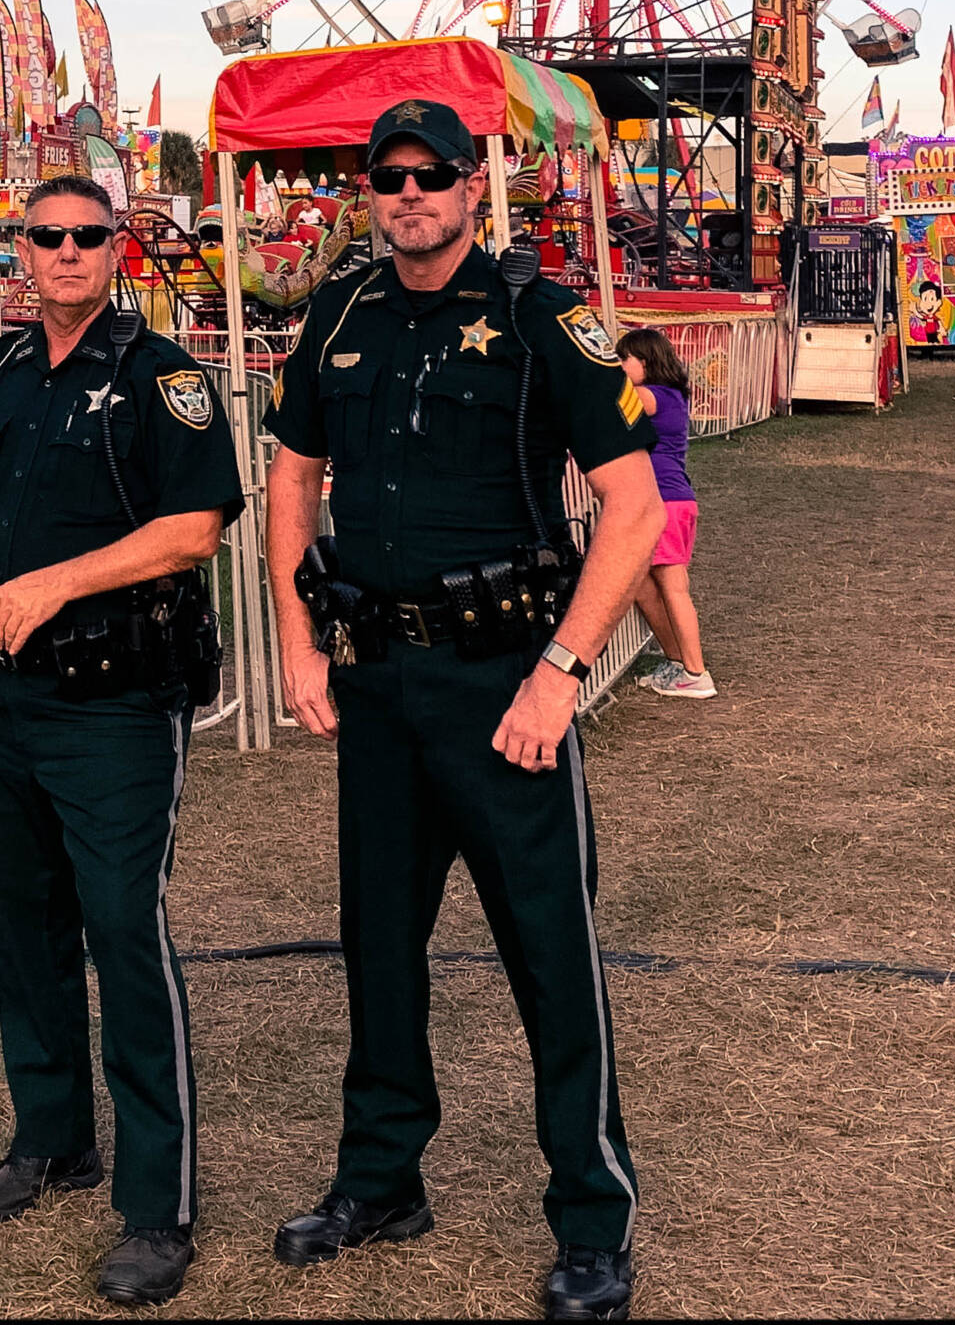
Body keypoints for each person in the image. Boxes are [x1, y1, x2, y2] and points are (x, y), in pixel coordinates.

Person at [262, 99, 666, 1323]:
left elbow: (633, 509)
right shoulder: (337, 310)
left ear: (474, 185)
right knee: (377, 942)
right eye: (386, 176)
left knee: (550, 955)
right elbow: (292, 472)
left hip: (504, 689)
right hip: (376, 684)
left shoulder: (542, 317)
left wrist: (560, 673)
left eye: (432, 173)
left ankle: (592, 1219)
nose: (408, 192)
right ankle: (380, 1181)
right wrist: (296, 640)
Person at [0, 174, 245, 1307]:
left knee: (123, 933)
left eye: (86, 237)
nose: (65, 253)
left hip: (112, 704)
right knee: (28, 924)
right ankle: (51, 1138)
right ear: (20, 250)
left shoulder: (161, 377)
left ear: (117, 249)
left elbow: (193, 528)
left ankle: (158, 1206)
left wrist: (56, 580)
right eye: (46, 237)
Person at [617, 328, 713, 698]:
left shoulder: (650, 395)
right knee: (641, 583)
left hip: (666, 501)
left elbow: (609, 397)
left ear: (647, 361)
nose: (619, 366)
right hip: (668, 501)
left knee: (673, 587)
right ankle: (678, 662)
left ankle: (695, 672)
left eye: (625, 359)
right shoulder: (669, 397)